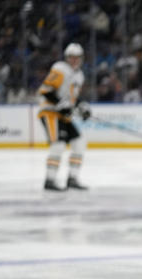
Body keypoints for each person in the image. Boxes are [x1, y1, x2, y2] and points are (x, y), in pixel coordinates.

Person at [37, 42, 91, 191]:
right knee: (58, 145)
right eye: (71, 57)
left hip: (62, 115)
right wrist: (61, 104)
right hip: (50, 112)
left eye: (77, 57)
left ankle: (72, 178)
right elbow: (45, 90)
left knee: (79, 142)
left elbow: (72, 99)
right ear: (67, 58)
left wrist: (82, 108)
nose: (74, 60)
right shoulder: (60, 69)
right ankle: (50, 180)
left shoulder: (79, 75)